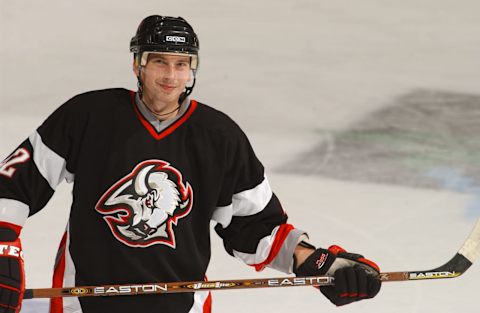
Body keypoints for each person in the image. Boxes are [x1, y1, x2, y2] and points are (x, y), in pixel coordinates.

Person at [0, 15, 381, 313]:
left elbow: (256, 227)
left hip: (182, 306)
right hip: (80, 302)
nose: (170, 75)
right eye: (159, 62)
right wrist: (3, 246)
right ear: (138, 65)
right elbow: (14, 183)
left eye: (182, 64)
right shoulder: (89, 116)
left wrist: (322, 266)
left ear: (192, 69)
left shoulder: (219, 136)